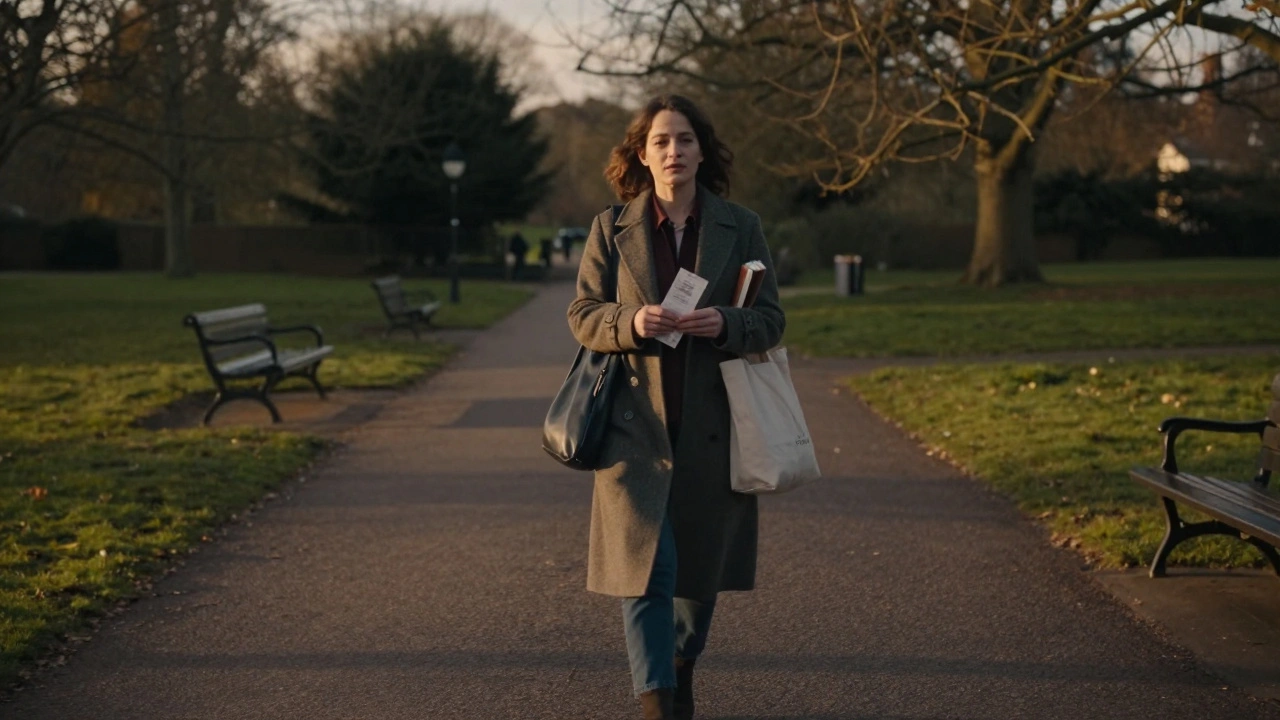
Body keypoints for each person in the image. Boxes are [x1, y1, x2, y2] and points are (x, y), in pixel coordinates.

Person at [566, 94, 785, 719]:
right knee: (647, 573)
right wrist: (631, 319)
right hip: (633, 430)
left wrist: (728, 323)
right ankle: (657, 701)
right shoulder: (612, 227)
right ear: (642, 153)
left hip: (714, 428)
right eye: (661, 141)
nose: (673, 152)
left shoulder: (741, 226)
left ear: (701, 151)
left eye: (684, 140)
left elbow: (771, 320)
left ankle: (680, 666)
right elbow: (582, 315)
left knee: (696, 581)